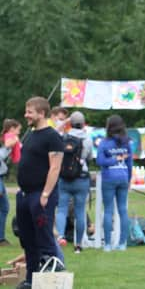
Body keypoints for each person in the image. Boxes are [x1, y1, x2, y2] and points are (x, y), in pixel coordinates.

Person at [16, 97, 65, 288]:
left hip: (41, 196)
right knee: (27, 240)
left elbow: (55, 168)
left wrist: (45, 195)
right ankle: (31, 280)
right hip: (25, 195)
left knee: (44, 239)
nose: (26, 115)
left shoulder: (52, 136)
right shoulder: (31, 134)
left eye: (30, 112)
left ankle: (50, 281)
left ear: (41, 113)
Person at [55, 111, 93, 254]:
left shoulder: (64, 137)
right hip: (81, 178)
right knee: (80, 211)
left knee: (62, 209)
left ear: (70, 123)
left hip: (64, 177)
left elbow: (53, 134)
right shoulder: (87, 139)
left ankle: (60, 238)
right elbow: (89, 157)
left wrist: (63, 123)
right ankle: (78, 244)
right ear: (83, 124)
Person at [96, 115, 132, 252]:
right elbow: (129, 163)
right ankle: (122, 244)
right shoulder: (126, 143)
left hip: (109, 178)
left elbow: (100, 161)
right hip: (123, 177)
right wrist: (129, 179)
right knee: (123, 210)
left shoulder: (104, 143)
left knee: (108, 210)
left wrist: (112, 160)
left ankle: (107, 245)